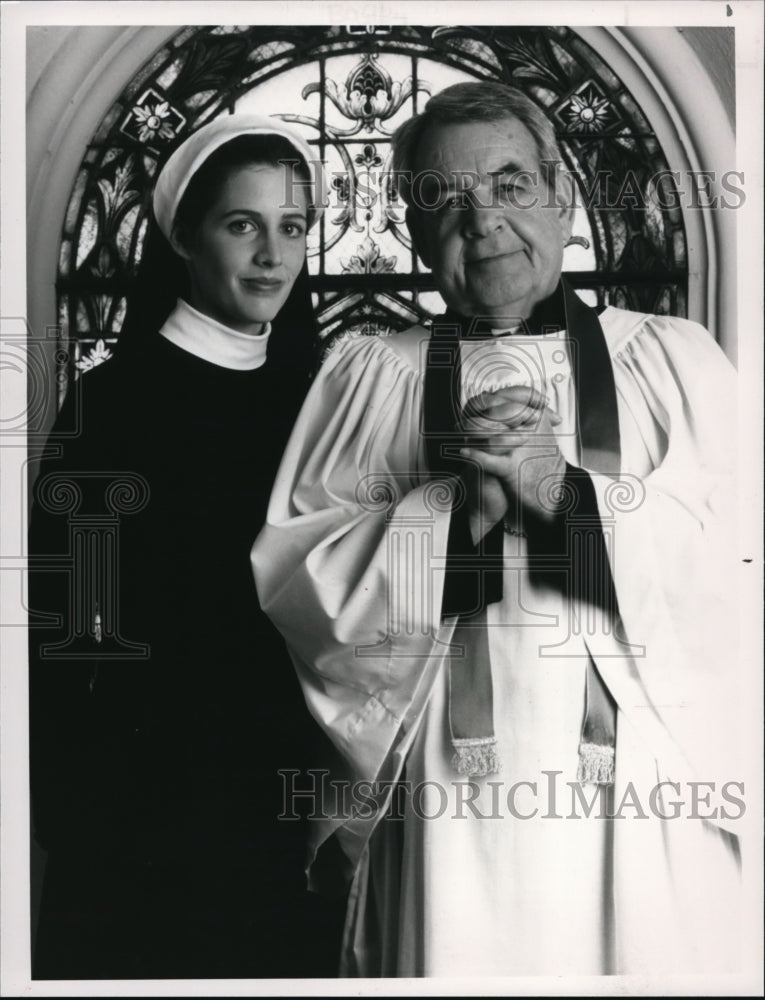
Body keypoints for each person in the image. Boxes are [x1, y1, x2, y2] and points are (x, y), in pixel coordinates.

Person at [251, 83, 745, 977]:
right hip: (443, 799)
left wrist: (564, 491)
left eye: (511, 186)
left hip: (639, 798)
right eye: (445, 201)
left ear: (562, 199)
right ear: (411, 231)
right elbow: (300, 582)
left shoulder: (672, 360)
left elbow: (738, 570)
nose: (482, 223)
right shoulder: (368, 375)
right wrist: (454, 512)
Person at [29, 113, 345, 979]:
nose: (273, 256)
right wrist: (78, 806)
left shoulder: (313, 398)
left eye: (293, 228)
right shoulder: (112, 404)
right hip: (146, 804)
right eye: (241, 225)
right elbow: (66, 629)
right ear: (183, 236)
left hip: (288, 791)